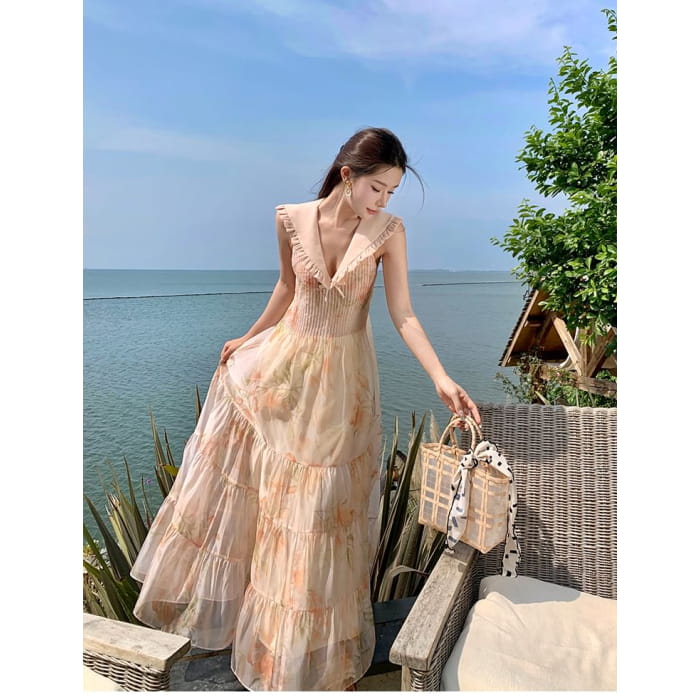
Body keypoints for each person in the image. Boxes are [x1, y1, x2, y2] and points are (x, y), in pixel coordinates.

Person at [130, 127, 481, 692]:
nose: (382, 200)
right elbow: (286, 289)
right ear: (347, 175)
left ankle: (306, 658)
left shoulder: (389, 232)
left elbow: (404, 313)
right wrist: (248, 338)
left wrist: (441, 377)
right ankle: (270, 652)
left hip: (343, 390)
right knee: (276, 506)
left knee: (320, 514)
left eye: (390, 192)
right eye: (376, 187)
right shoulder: (290, 219)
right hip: (286, 374)